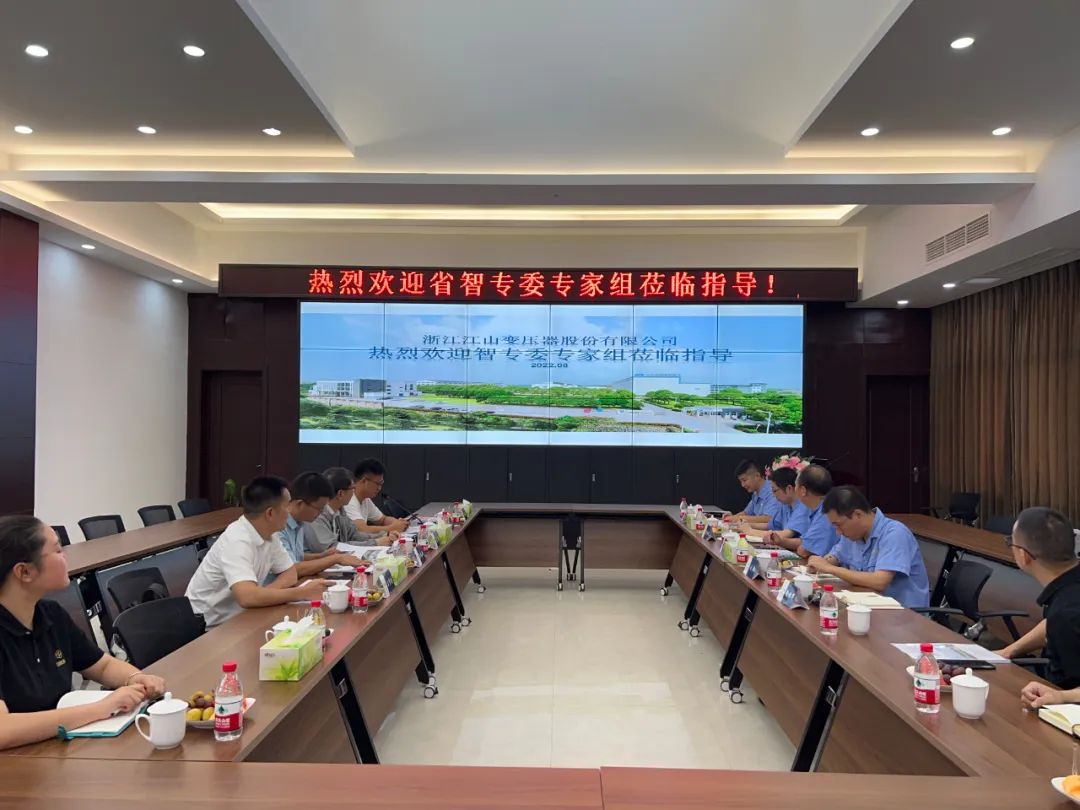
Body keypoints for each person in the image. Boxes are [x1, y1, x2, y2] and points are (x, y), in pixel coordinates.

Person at [0, 516, 166, 750]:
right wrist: (100, 708)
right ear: (24, 571)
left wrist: (135, 678)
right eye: (58, 550)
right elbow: (3, 730)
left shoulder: (51, 614)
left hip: (54, 749)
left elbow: (101, 666)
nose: (66, 556)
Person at [186, 476, 329, 627]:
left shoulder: (270, 534)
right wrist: (302, 593)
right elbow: (247, 597)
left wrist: (263, 594)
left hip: (243, 615)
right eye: (286, 506)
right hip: (207, 626)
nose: (289, 512)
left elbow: (290, 573)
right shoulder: (237, 540)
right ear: (270, 513)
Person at [995, 508, 1080, 689]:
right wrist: (1008, 651)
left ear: (1024, 555)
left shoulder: (1065, 613)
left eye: (1010, 543)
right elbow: (1052, 623)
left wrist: (1061, 696)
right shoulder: (1067, 599)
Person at [806, 486, 930, 609]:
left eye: (838, 525)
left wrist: (829, 568)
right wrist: (821, 563)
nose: (838, 532)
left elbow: (879, 581)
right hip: (866, 607)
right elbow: (836, 556)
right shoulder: (852, 535)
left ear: (857, 514)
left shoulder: (894, 533)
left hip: (903, 615)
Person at [276, 472, 369, 578]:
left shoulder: (300, 522)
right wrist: (335, 559)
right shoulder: (278, 527)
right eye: (319, 508)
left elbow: (295, 557)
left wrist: (322, 556)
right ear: (300, 504)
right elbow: (291, 569)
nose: (321, 513)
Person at [305, 467, 387, 554]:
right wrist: (375, 543)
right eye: (353, 488)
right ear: (341, 493)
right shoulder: (316, 516)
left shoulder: (340, 510)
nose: (354, 492)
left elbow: (353, 535)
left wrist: (383, 535)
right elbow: (331, 548)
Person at [741, 467, 810, 546]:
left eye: (775, 491)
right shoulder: (785, 504)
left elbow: (783, 535)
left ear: (789, 489)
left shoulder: (803, 506)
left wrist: (750, 531)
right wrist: (747, 525)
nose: (773, 495)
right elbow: (770, 525)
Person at [344, 458, 409, 536]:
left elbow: (383, 519)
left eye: (381, 484)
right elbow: (362, 530)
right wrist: (392, 528)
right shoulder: (348, 500)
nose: (379, 488)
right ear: (364, 481)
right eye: (378, 484)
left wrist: (398, 523)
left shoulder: (366, 499)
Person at [790, 464, 838, 558]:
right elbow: (804, 542)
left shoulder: (826, 512)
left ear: (803, 490)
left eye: (796, 485)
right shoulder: (817, 508)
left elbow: (804, 551)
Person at [730, 460, 782, 528]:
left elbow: (768, 518)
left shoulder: (772, 490)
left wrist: (739, 518)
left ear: (757, 476)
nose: (742, 485)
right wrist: (732, 517)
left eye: (744, 480)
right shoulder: (756, 492)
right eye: (741, 481)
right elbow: (746, 513)